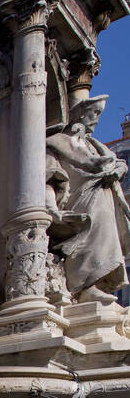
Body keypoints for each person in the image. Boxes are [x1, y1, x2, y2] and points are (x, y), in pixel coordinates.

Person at [46, 95, 130, 303]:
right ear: (81, 114)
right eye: (95, 113)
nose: (98, 119)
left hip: (102, 197)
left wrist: (118, 169)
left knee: (106, 235)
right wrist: (50, 207)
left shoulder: (95, 145)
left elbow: (117, 162)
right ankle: (84, 285)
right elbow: (48, 176)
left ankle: (96, 283)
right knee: (92, 228)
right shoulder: (57, 143)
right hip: (78, 200)